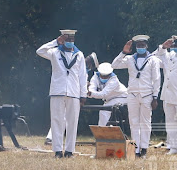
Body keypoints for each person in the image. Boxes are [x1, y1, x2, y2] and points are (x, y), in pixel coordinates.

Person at [36, 29, 88, 158]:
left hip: (74, 92)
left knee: (72, 122)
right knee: (56, 120)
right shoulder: (55, 52)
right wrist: (55, 42)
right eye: (67, 39)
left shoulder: (79, 55)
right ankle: (58, 150)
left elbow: (83, 76)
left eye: (71, 39)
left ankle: (69, 151)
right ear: (63, 40)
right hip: (57, 91)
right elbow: (40, 51)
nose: (69, 42)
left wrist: (83, 94)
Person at [112, 35, 162, 158]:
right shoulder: (130, 59)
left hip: (147, 94)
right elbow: (114, 65)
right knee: (133, 122)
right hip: (133, 94)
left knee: (145, 122)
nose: (140, 47)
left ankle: (144, 148)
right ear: (135, 46)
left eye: (142, 45)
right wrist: (123, 52)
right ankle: (136, 148)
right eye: (138, 45)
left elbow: (156, 79)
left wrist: (155, 97)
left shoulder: (153, 60)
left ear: (147, 46)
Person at [45, 54, 97, 145]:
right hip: (70, 94)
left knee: (62, 117)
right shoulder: (80, 66)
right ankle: (51, 138)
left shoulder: (79, 66)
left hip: (69, 94)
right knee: (62, 118)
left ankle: (51, 138)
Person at [88, 62, 128, 127]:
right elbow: (91, 89)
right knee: (104, 110)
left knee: (104, 110)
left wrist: (90, 94)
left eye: (106, 76)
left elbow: (103, 94)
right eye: (102, 75)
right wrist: (90, 92)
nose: (103, 77)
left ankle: (102, 131)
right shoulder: (95, 77)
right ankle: (104, 131)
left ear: (110, 74)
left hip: (122, 97)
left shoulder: (114, 80)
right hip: (109, 99)